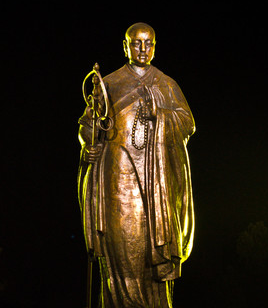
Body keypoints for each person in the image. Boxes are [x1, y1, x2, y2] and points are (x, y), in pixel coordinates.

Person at [78, 23, 195, 308]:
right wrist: (89, 141)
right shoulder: (110, 83)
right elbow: (88, 126)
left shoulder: (166, 84)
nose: (143, 49)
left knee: (151, 253)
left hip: (156, 184)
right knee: (121, 250)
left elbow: (187, 123)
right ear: (125, 46)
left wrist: (160, 113)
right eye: (136, 43)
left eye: (149, 43)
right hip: (118, 179)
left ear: (154, 46)